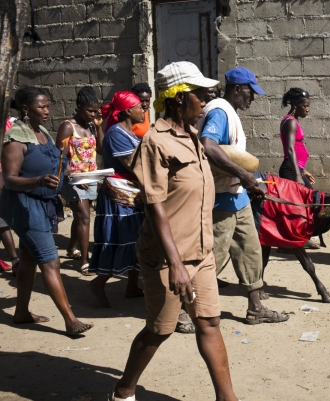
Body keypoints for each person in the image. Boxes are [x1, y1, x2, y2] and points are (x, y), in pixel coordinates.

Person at [110, 61, 238, 401]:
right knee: (159, 329)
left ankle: (228, 398)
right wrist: (177, 265)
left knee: (209, 322)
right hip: (168, 258)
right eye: (200, 95)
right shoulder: (156, 143)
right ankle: (124, 389)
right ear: (179, 99)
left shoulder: (194, 137)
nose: (207, 100)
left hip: (202, 251)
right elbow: (155, 206)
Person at [199, 67, 289, 324]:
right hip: (219, 197)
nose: (253, 98)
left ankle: (255, 308)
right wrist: (245, 175)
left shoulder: (229, 112)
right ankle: (185, 309)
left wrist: (248, 183)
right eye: (250, 92)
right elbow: (208, 146)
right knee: (213, 255)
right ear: (237, 89)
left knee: (250, 250)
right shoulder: (220, 111)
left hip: (236, 196)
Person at [0, 86, 93, 335]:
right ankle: (70, 319)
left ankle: (20, 312)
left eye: (47, 106)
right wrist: (39, 181)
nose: (47, 112)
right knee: (50, 261)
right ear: (25, 109)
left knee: (29, 260)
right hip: (25, 208)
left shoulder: (41, 133)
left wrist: (69, 174)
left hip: (43, 206)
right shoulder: (15, 139)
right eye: (41, 107)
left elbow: (54, 163)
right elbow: (9, 180)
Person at [88, 91, 145, 307]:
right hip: (121, 192)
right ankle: (98, 283)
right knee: (122, 238)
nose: (143, 110)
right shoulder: (116, 134)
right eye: (140, 106)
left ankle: (132, 286)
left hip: (133, 189)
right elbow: (135, 164)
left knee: (136, 239)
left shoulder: (130, 132)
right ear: (128, 111)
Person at [55, 86, 104, 276]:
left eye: (95, 111)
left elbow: (100, 149)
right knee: (84, 216)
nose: (93, 114)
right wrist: (74, 177)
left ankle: (71, 247)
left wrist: (99, 127)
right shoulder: (68, 127)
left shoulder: (92, 126)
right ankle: (85, 261)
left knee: (79, 215)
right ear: (78, 106)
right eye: (89, 110)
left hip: (90, 177)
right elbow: (59, 158)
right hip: (73, 178)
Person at [279, 87, 315, 188]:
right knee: (310, 198)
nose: (308, 109)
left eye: (308, 106)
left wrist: (302, 171)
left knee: (309, 198)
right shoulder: (291, 122)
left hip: (295, 169)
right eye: (305, 106)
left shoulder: (292, 121)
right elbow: (290, 149)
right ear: (295, 105)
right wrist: (298, 175)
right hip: (290, 170)